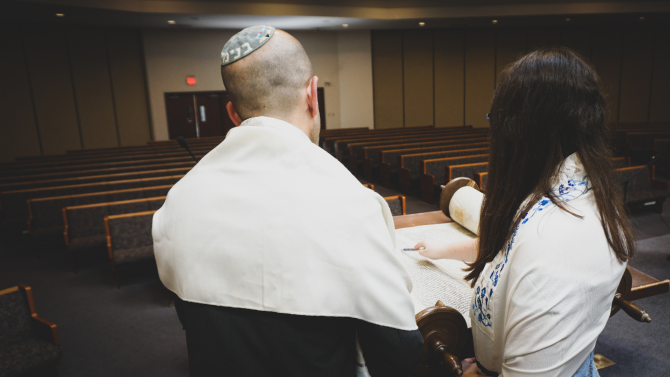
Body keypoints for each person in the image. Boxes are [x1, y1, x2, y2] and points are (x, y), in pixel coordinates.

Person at [152, 25, 423, 377]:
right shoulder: (351, 204)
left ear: (233, 113)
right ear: (313, 95)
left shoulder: (178, 201)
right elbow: (398, 353)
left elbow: (193, 319)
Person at [416, 48, 634, 377]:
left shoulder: (557, 241)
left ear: (519, 132)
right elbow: (508, 248)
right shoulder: (562, 185)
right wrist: (442, 250)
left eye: (495, 121)